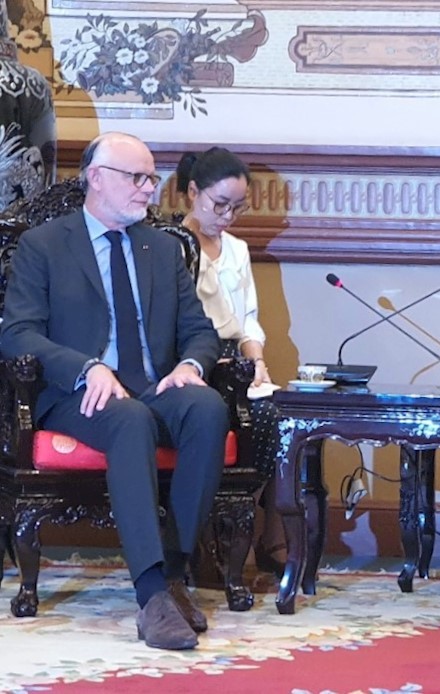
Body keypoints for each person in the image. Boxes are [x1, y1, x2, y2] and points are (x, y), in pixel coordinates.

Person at [0, 132, 229, 650]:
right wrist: (85, 368)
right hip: (78, 396)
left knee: (208, 408)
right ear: (96, 178)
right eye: (137, 178)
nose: (149, 189)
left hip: (153, 386)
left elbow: (199, 330)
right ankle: (151, 596)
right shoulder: (45, 245)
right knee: (129, 419)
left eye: (152, 178)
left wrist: (192, 365)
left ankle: (173, 574)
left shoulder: (163, 249)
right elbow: (18, 332)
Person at [175, 147, 286, 574]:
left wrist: (258, 364)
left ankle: (270, 536)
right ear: (192, 193)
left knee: (280, 417)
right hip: (195, 359)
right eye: (219, 205)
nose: (227, 216)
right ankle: (216, 541)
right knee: (252, 419)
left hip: (237, 360)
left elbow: (248, 324)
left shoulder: (237, 250)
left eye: (236, 208)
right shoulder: (172, 245)